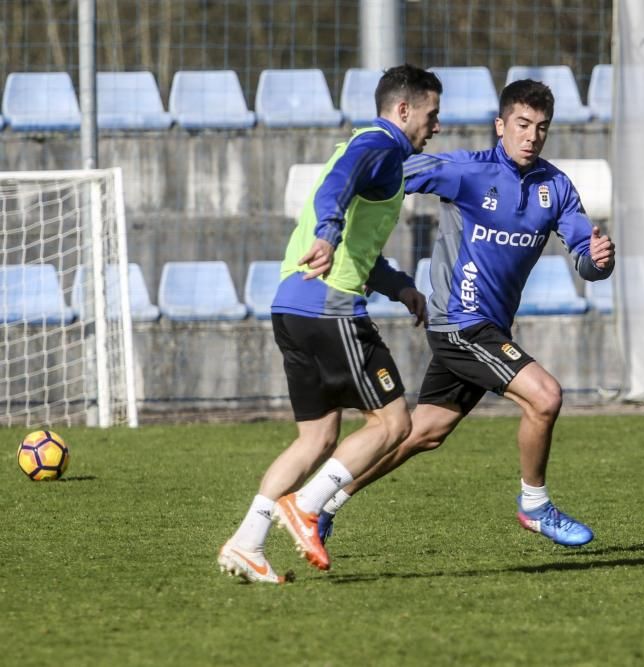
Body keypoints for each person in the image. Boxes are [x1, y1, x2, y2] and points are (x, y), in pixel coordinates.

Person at [317, 78, 615, 549]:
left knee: (422, 434)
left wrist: (599, 260)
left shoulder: (555, 187)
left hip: (489, 329)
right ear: (501, 126)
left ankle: (323, 503)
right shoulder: (466, 172)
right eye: (522, 124)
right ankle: (534, 504)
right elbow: (392, 170)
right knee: (545, 397)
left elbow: (586, 257)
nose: (531, 136)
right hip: (460, 324)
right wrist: (343, 186)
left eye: (541, 127)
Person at [217, 64, 442, 583]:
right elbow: (336, 194)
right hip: (330, 306)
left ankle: (247, 542)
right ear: (403, 110)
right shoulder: (381, 145)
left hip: (291, 305)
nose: (436, 126)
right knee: (394, 424)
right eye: (432, 115)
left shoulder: (371, 151)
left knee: (315, 440)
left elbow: (361, 245)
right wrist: (327, 231)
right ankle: (309, 506)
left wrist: (401, 287)